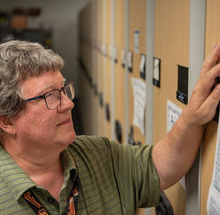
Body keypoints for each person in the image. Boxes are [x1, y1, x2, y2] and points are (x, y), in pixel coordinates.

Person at [0, 40, 220, 215]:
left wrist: (191, 118)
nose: (68, 103)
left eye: (64, 89)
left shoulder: (95, 154)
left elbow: (161, 165)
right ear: (7, 121)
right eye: (50, 96)